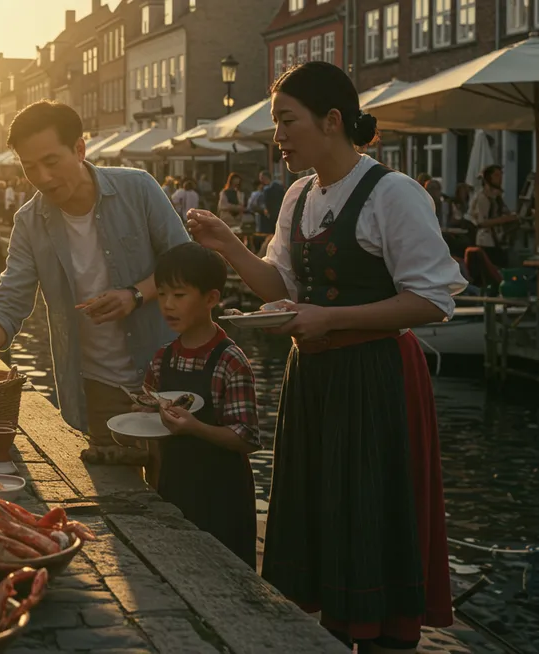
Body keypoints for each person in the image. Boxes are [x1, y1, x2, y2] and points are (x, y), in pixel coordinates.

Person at [187, 60, 463, 650]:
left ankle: (381, 636)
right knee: (327, 515)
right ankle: (336, 631)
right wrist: (228, 244)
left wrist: (328, 318)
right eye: (276, 121)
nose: (278, 134)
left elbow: (432, 301)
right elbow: (281, 287)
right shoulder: (298, 195)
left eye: (287, 120)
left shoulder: (392, 193)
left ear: (332, 120)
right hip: (313, 377)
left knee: (368, 512)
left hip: (374, 378)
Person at [0, 100, 190, 464]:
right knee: (123, 502)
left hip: (170, 372)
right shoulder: (30, 222)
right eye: (29, 167)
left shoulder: (138, 189)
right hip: (99, 387)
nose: (42, 177)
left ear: (79, 149)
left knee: (179, 485)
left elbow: (187, 262)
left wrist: (136, 294)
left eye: (51, 162)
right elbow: (9, 301)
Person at [136, 242, 258, 566]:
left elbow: (246, 437)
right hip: (174, 487)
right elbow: (151, 426)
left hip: (223, 498)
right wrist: (143, 415)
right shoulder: (164, 358)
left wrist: (195, 427)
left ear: (211, 298)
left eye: (179, 295)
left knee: (226, 577)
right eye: (161, 294)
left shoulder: (230, 361)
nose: (167, 305)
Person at [467, 165, 519, 268]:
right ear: (488, 178)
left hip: (498, 241)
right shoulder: (483, 197)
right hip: (486, 242)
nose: (500, 178)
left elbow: (503, 212)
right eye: (496, 175)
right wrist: (505, 219)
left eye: (500, 175)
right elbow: (482, 222)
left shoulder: (496, 197)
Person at [258, 170, 285, 236]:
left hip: (275, 212)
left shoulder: (273, 187)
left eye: (261, 177)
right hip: (274, 212)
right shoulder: (267, 188)